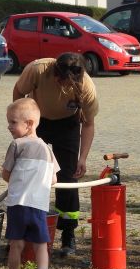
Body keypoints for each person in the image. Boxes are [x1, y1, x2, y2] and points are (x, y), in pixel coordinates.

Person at [12, 53, 98, 257]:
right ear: (55, 72)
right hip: (37, 122)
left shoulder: (87, 87)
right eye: (59, 79)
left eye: (67, 83)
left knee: (68, 177)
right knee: (30, 174)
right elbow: (18, 91)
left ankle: (68, 234)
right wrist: (23, 124)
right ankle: (23, 231)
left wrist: (83, 158)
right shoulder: (37, 69)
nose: (61, 84)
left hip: (68, 125)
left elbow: (88, 124)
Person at [2, 98, 62, 269]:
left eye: (13, 122)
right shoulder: (47, 149)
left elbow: (6, 174)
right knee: (41, 244)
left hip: (18, 204)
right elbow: (54, 179)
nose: (9, 126)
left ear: (29, 124)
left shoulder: (16, 145)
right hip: (38, 206)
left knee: (16, 245)